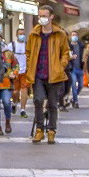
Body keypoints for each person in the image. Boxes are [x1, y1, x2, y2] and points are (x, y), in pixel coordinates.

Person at [19, 8, 72, 143]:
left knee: (53, 104)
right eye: (40, 15)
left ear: (51, 17)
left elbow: (66, 52)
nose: (41, 18)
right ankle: (39, 130)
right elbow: (29, 52)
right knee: (38, 100)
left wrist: (61, 66)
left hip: (54, 75)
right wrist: (30, 65)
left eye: (44, 16)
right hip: (38, 74)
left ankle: (51, 130)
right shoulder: (34, 34)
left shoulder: (59, 34)